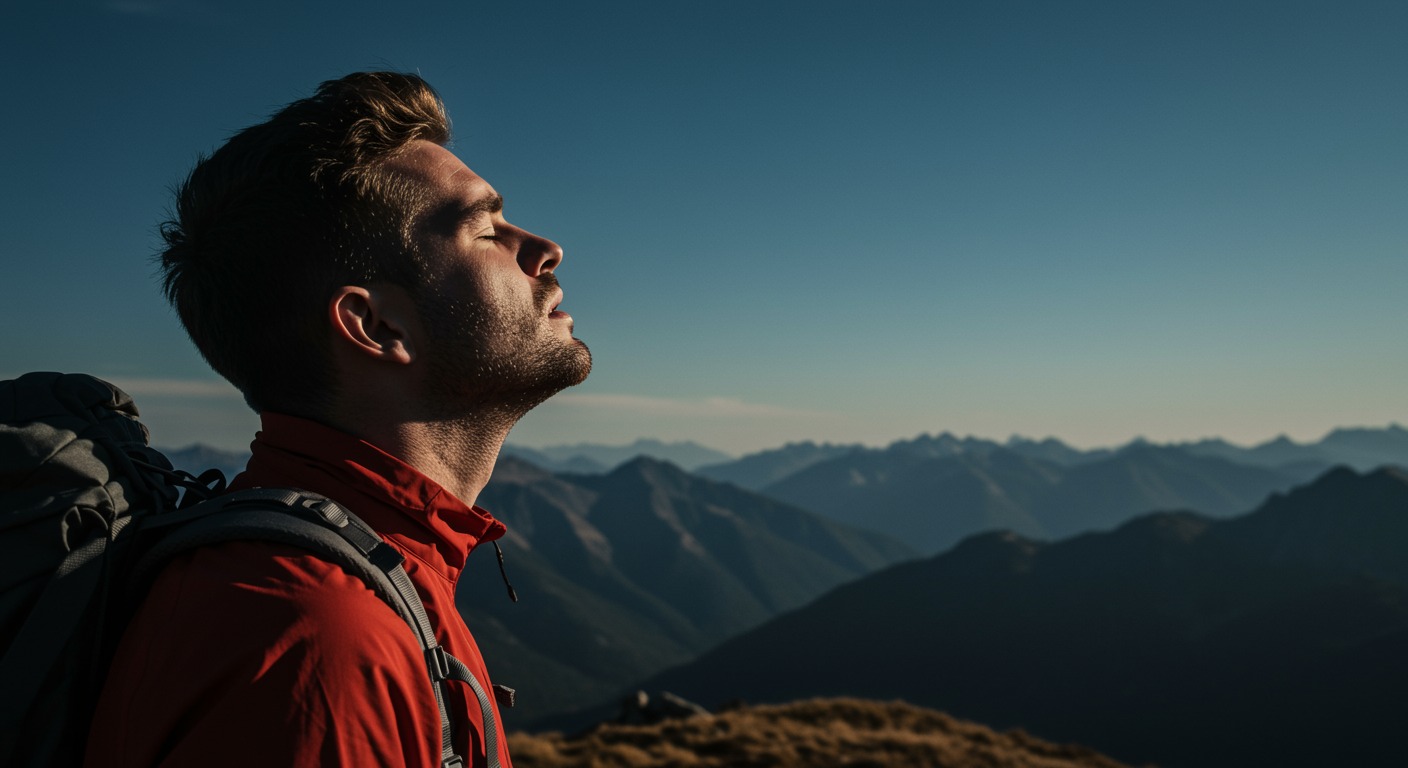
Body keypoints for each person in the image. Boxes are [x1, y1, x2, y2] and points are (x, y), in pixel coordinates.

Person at [84, 71, 590, 768]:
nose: (543, 248)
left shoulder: (368, 576)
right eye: (484, 230)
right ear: (376, 325)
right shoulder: (320, 642)